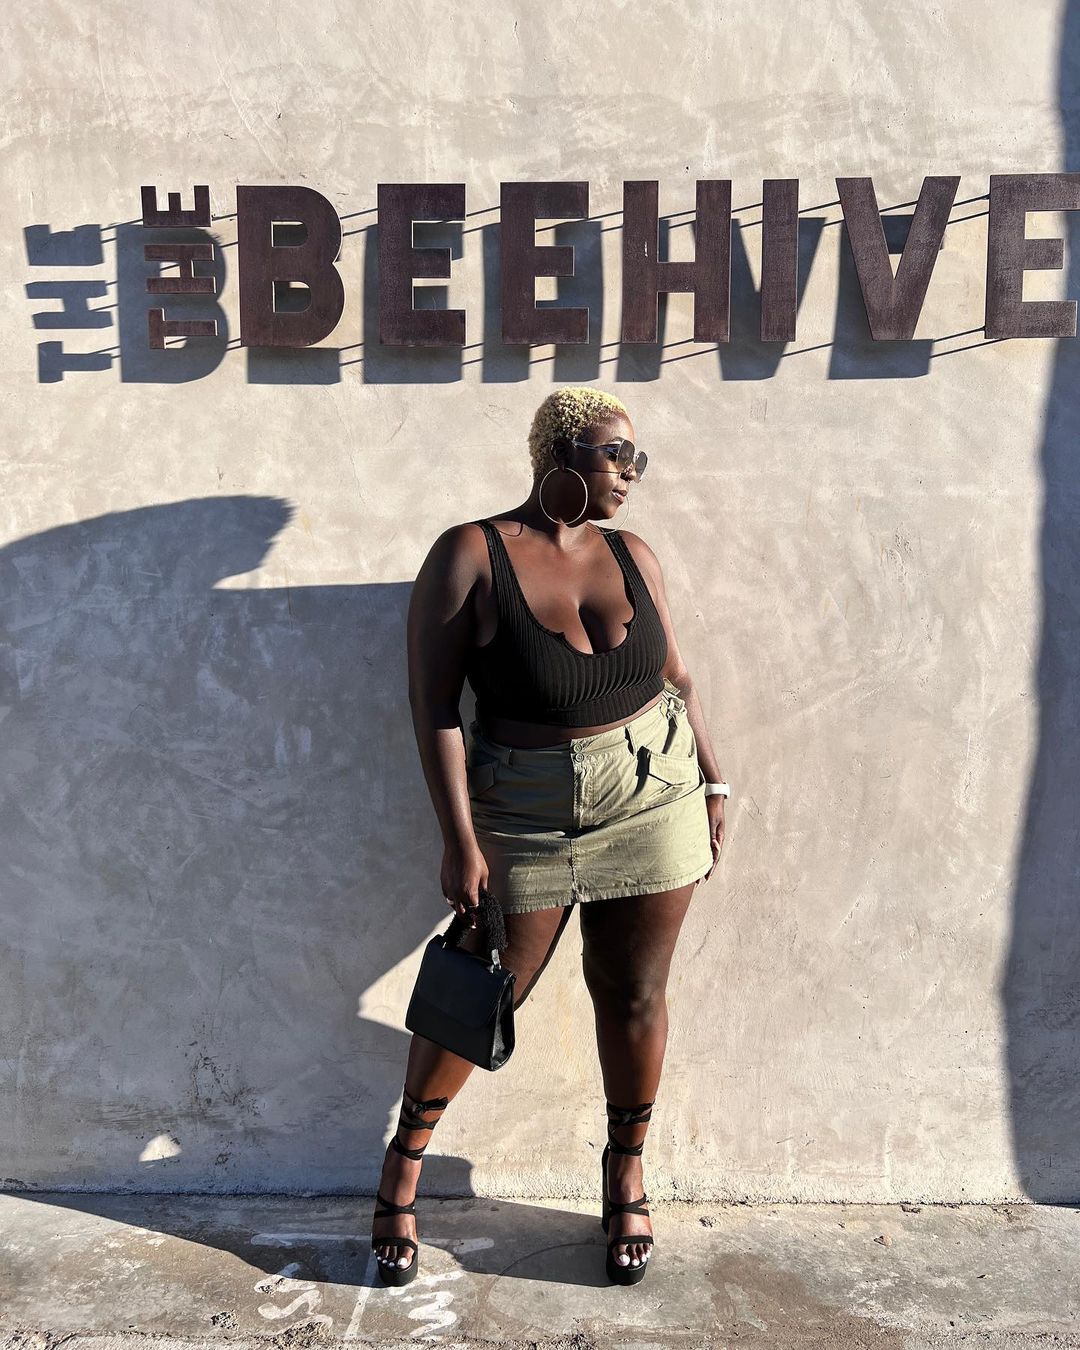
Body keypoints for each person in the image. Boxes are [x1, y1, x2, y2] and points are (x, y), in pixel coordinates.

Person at [370, 386, 729, 1287]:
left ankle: (625, 1172)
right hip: (525, 810)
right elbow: (433, 706)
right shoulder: (470, 553)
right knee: (481, 991)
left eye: (638, 458)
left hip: (653, 794)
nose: (632, 473)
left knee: (634, 991)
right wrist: (458, 837)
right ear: (561, 454)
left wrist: (714, 778)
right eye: (618, 454)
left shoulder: (632, 554)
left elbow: (676, 676)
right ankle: (402, 1168)